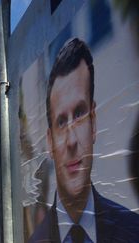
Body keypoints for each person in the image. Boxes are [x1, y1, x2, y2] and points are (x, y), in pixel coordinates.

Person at [28, 38, 139, 243]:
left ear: (94, 123)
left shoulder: (133, 230)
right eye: (61, 122)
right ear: (50, 141)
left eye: (79, 114)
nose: (71, 141)